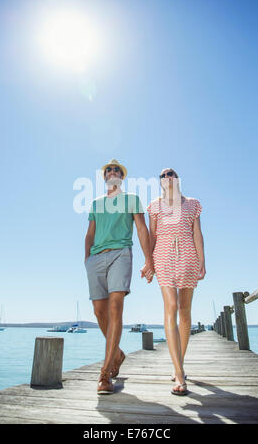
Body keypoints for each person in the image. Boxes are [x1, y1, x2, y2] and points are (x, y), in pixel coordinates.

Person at [84, 159, 154, 394]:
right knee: (99, 312)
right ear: (104, 177)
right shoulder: (95, 203)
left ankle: (105, 374)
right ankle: (118, 353)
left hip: (120, 254)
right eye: (108, 170)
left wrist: (149, 259)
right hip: (95, 259)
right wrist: (87, 260)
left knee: (115, 308)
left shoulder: (132, 200)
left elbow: (142, 229)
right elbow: (89, 234)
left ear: (121, 177)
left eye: (116, 170)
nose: (112, 172)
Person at [146, 168, 206, 395]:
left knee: (185, 309)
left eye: (171, 173)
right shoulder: (154, 205)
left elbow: (197, 233)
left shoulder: (192, 203)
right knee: (170, 306)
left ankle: (177, 362)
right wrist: (148, 263)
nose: (167, 177)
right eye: (162, 175)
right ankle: (180, 374)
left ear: (177, 179)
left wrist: (202, 259)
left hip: (188, 252)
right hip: (162, 253)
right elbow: (152, 235)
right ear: (160, 182)